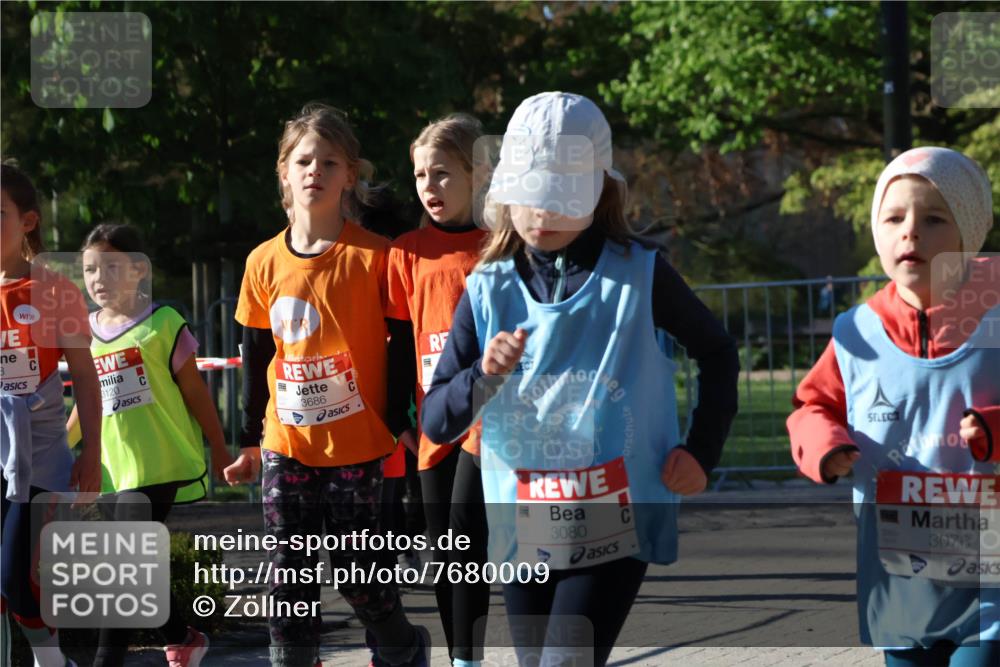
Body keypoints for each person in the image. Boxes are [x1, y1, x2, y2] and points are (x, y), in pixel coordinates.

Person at [421, 92, 739, 666]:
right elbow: (437, 419)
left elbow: (717, 353)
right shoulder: (487, 288)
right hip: (526, 521)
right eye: (530, 193)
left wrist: (701, 450)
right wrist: (481, 375)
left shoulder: (640, 273)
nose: (542, 213)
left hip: (616, 518)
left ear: (599, 189)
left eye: (559, 194)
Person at [223, 102, 429, 667]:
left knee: (358, 576)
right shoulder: (262, 261)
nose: (315, 170)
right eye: (304, 160)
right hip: (285, 444)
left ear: (350, 176)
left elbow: (403, 349)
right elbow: (255, 353)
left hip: (358, 446)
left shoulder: (376, 256)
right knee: (288, 574)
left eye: (330, 161)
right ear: (284, 172)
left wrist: (399, 423)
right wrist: (248, 438)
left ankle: (403, 646)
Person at [788, 147, 1000, 666]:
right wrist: (826, 446)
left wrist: (993, 429)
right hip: (899, 574)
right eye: (894, 217)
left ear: (968, 238)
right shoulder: (854, 334)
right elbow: (811, 407)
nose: (910, 232)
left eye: (932, 219)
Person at [64, 222, 233, 666]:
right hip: (113, 467)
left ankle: (109, 660)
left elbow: (197, 393)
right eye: (90, 270)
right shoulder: (84, 332)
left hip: (161, 463)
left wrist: (219, 447)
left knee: (122, 560)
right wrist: (63, 449)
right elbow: (87, 401)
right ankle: (181, 636)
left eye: (110, 267)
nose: (98, 279)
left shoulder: (164, 323)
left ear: (139, 271)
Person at [385, 113, 490, 666]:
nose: (430, 187)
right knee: (448, 554)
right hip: (434, 426)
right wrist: (394, 416)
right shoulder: (405, 252)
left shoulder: (502, 244)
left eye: (443, 174)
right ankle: (459, 656)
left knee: (472, 542)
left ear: (478, 175)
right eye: (421, 175)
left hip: (494, 424)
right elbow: (400, 345)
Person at [1, 162, 101, 667]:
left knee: (16, 576)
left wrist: (92, 450)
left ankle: (51, 658)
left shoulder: (57, 292)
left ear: (29, 221)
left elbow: (84, 375)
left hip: (38, 455)